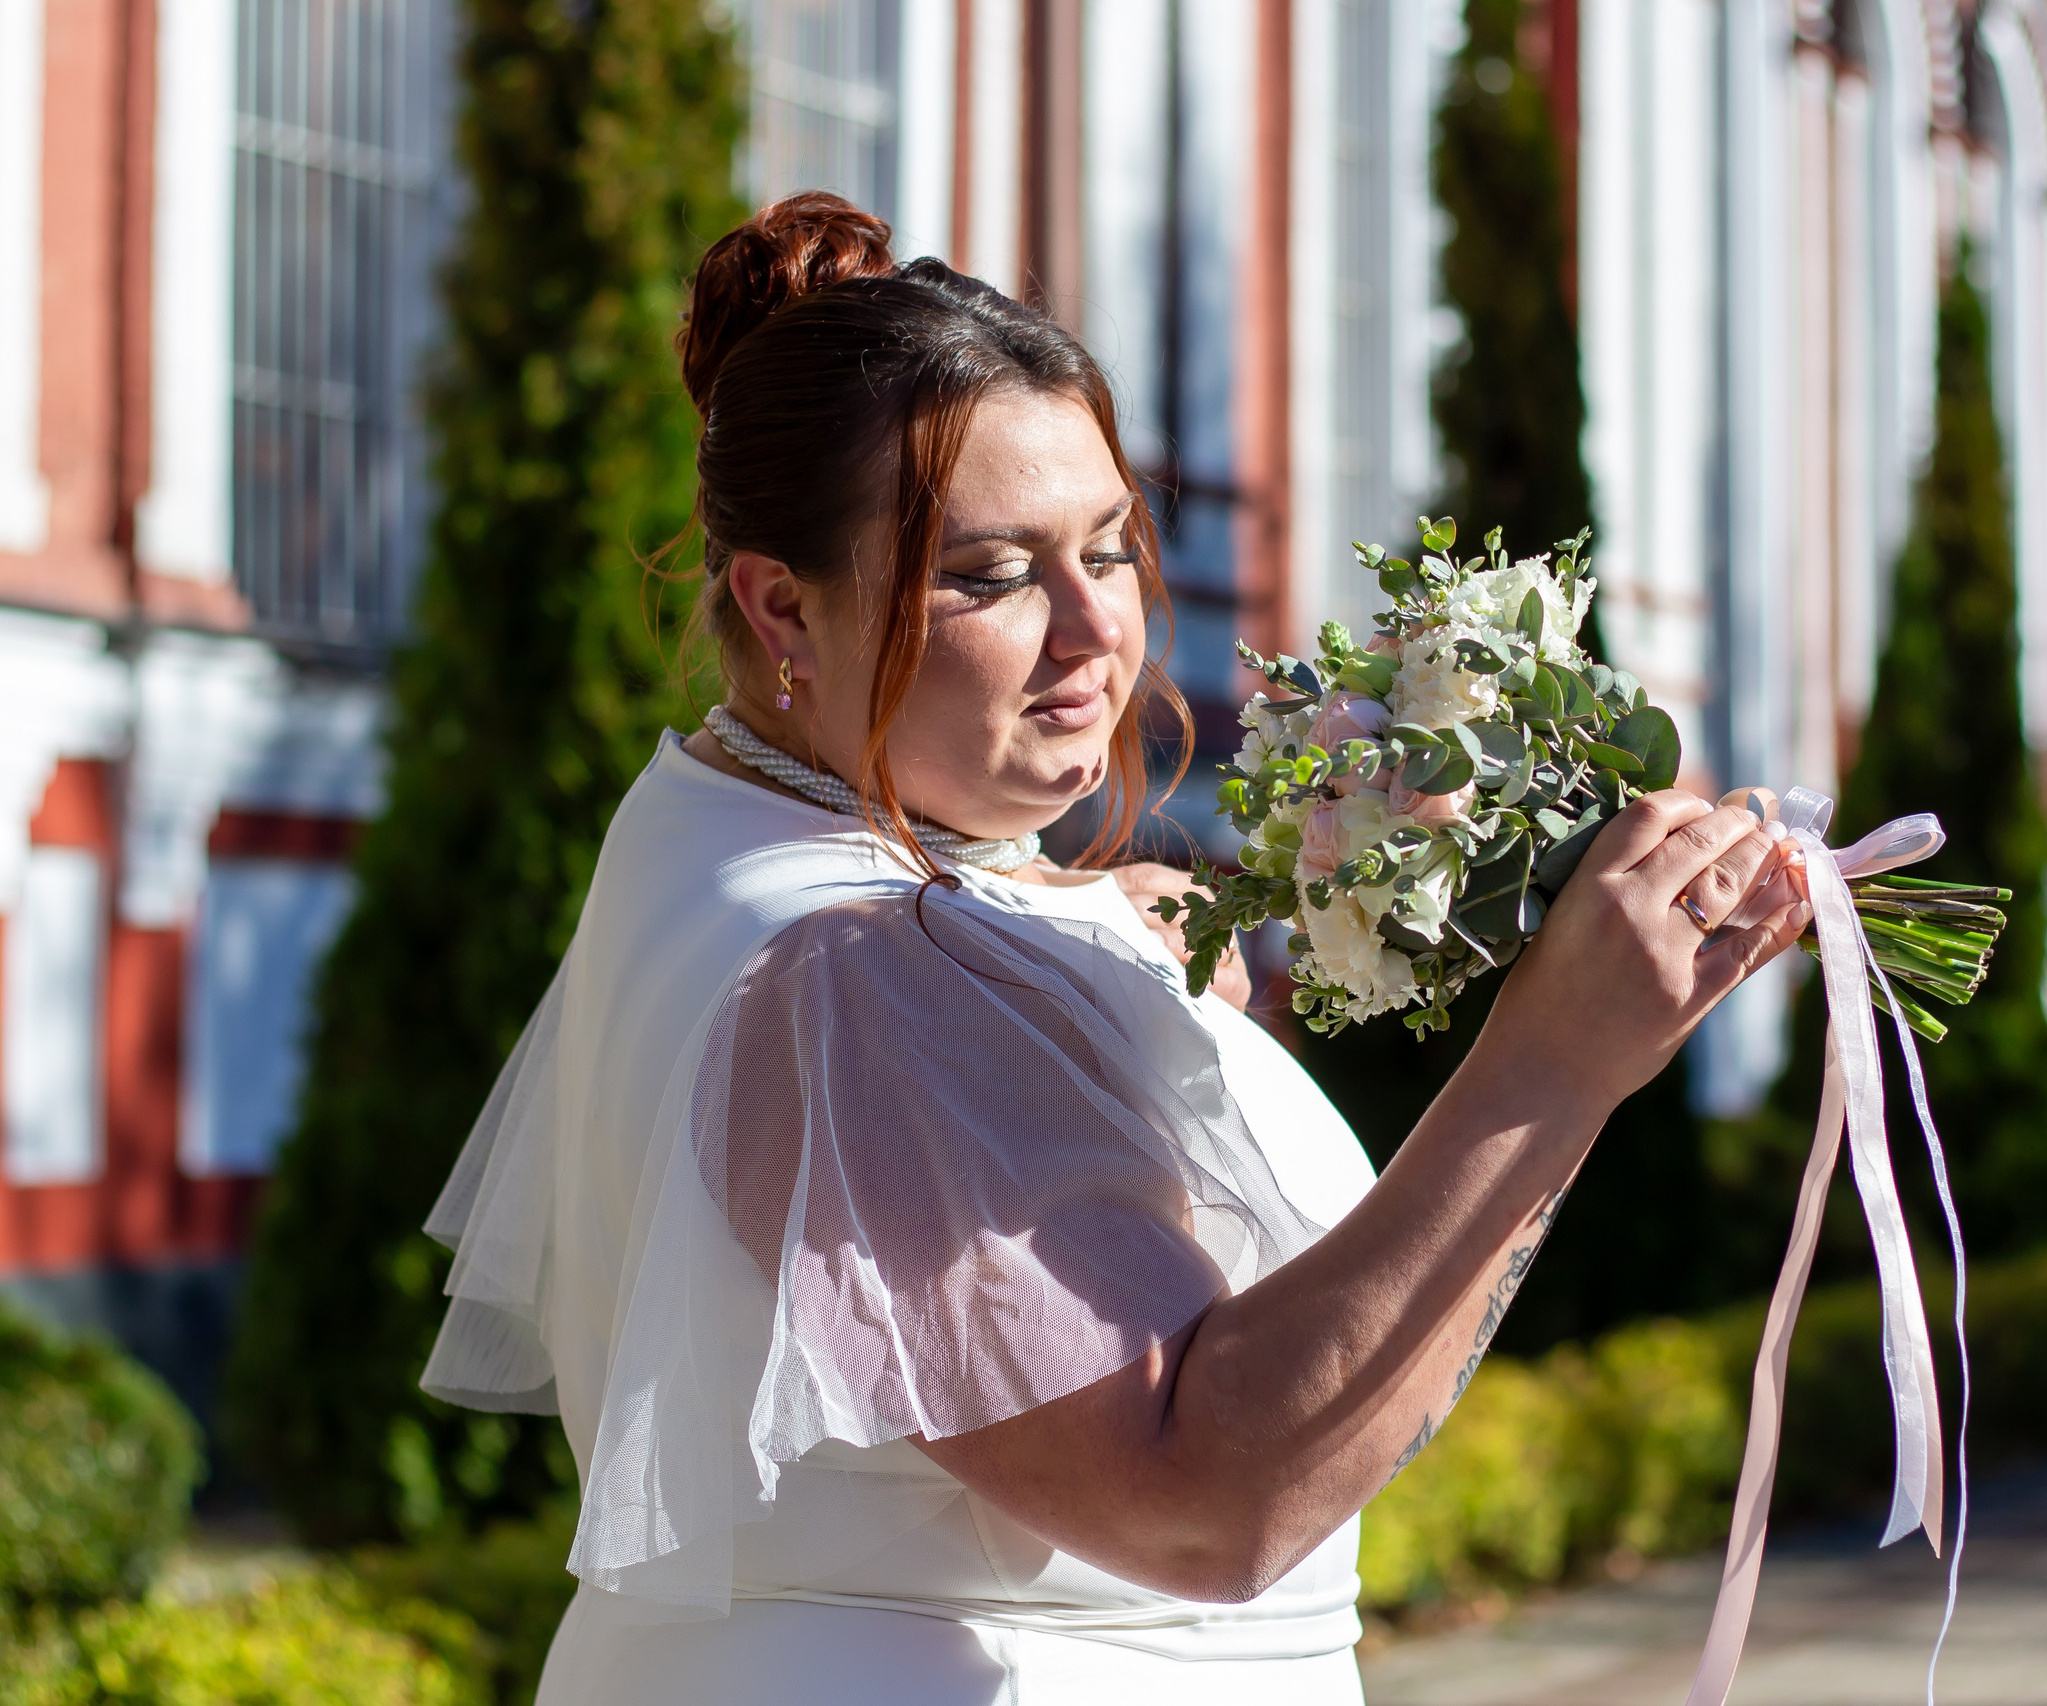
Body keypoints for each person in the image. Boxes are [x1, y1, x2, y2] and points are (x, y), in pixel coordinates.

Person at [421, 193, 1809, 1705]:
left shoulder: (733, 832)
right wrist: (1556, 1062)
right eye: (992, 576)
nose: (1098, 632)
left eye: (1109, 546)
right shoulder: (857, 977)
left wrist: (1133, 928)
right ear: (778, 605)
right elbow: (1202, 1497)